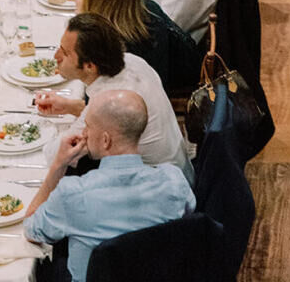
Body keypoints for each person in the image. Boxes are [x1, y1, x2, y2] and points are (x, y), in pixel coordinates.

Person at [24, 90, 195, 282]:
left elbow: (31, 230)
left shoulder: (73, 194)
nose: (84, 133)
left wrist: (58, 165)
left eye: (87, 126)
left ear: (106, 140)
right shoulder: (174, 182)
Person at [35, 13, 191, 178]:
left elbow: (56, 156)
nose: (55, 56)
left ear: (89, 66)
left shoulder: (109, 99)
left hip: (159, 187)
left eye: (65, 53)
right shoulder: (132, 61)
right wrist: (70, 107)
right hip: (178, 168)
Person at [79, 0, 202, 93]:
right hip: (163, 87)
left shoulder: (102, 37)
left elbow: (93, 96)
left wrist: (82, 17)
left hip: (132, 103)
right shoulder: (150, 9)